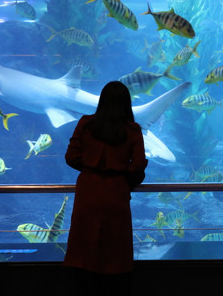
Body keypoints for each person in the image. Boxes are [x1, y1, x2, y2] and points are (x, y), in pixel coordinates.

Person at [63, 81, 148, 296]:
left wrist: (91, 168)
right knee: (115, 248)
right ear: (127, 103)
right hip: (116, 192)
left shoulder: (85, 123)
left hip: (88, 190)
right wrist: (125, 179)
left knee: (84, 246)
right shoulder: (132, 129)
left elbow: (71, 157)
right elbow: (138, 164)